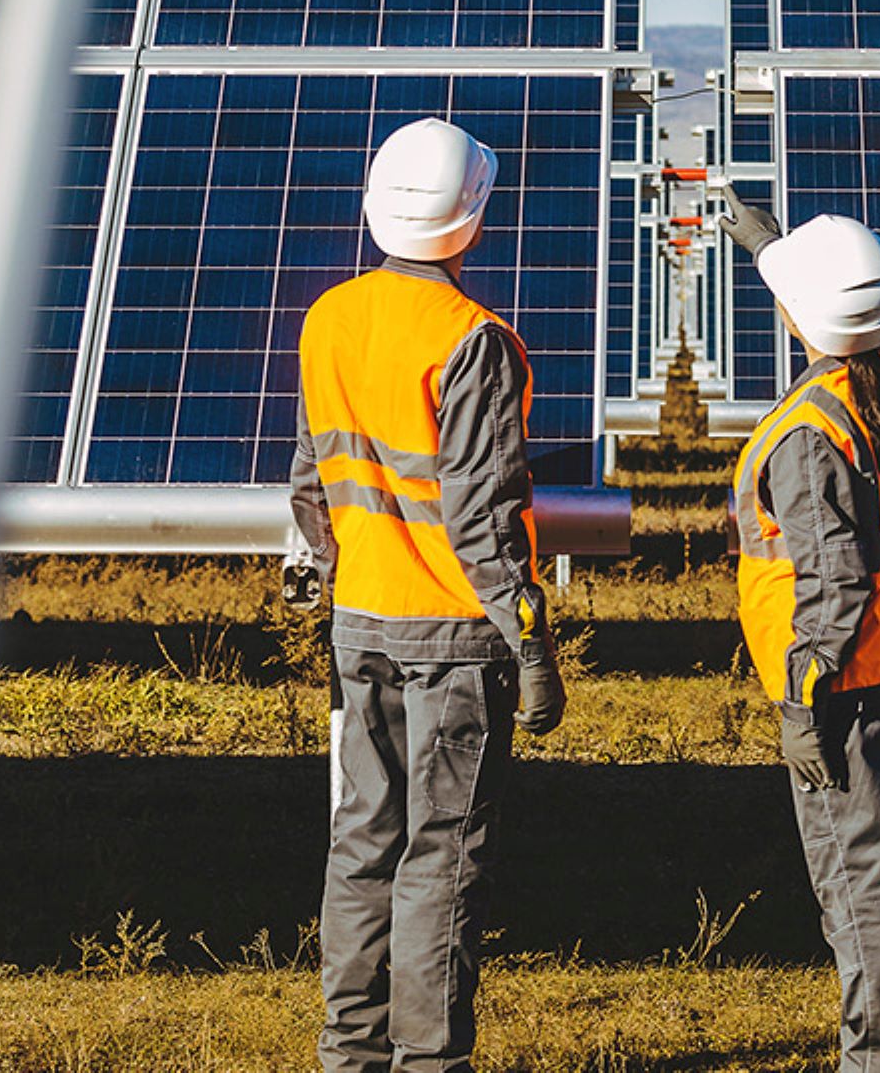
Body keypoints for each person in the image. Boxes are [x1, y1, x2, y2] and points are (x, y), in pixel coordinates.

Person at [286, 116, 570, 1073]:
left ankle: (349, 1052)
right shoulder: (474, 341)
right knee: (440, 861)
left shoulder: (328, 318)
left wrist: (347, 582)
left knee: (360, 845)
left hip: (359, 621)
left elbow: (310, 485)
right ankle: (428, 1063)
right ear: (472, 220)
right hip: (452, 637)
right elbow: (485, 521)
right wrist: (531, 648)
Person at [719, 191, 880, 1073]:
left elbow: (831, 585)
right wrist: (773, 248)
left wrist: (801, 703)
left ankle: (878, 1062)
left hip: (844, 689)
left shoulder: (806, 436)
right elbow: (835, 314)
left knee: (861, 888)